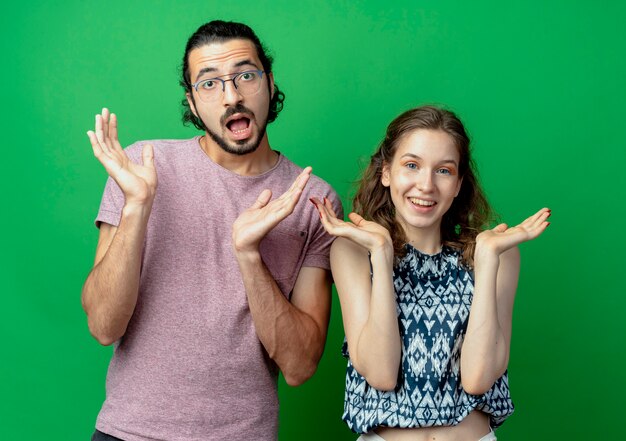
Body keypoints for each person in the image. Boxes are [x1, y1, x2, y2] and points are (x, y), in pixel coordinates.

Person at [82, 20, 341, 441]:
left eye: (246, 75)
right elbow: (103, 327)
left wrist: (249, 255)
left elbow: (299, 367)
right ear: (192, 102)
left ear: (270, 83)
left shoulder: (312, 199)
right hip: (128, 433)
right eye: (209, 84)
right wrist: (136, 208)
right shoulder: (143, 167)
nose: (232, 96)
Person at [310, 105, 550, 441]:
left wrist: (487, 259)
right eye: (411, 165)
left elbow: (478, 378)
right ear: (386, 172)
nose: (426, 185)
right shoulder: (354, 251)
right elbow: (380, 373)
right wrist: (381, 254)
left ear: (458, 184)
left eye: (444, 171)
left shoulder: (498, 254)